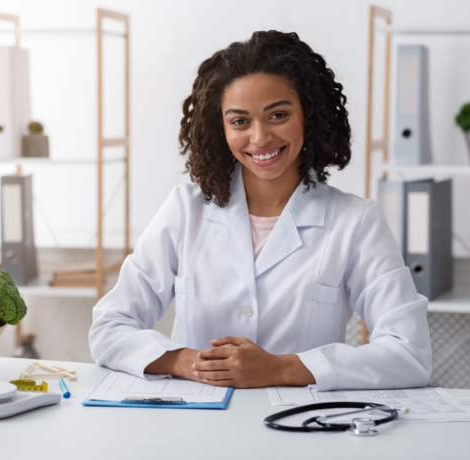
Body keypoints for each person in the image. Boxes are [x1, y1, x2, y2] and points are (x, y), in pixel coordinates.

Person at [88, 30, 432, 391]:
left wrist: (280, 369)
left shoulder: (355, 222)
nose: (259, 137)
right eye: (240, 121)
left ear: (309, 116)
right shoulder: (184, 211)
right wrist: (191, 363)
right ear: (219, 128)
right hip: (196, 430)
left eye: (278, 115)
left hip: (300, 431)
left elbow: (409, 354)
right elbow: (110, 327)